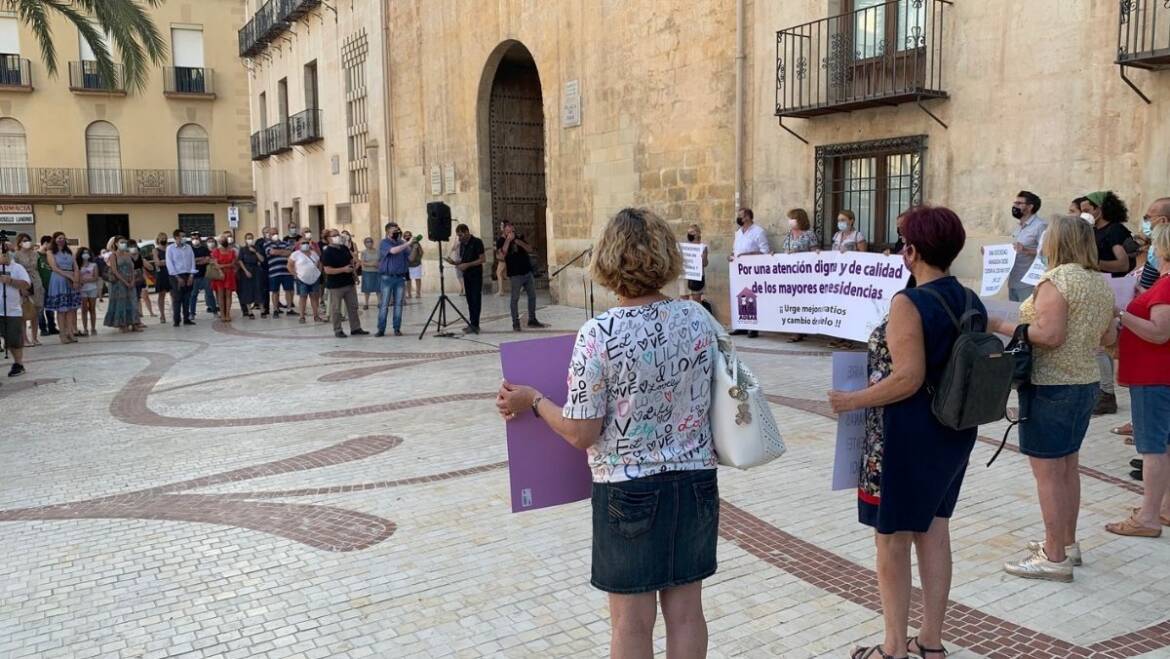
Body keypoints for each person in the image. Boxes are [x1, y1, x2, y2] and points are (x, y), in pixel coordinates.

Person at [496, 207, 719, 659]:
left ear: (608, 260)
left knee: (631, 622)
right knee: (688, 614)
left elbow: (581, 432)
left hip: (628, 489)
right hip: (696, 480)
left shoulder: (600, 332)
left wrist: (534, 401)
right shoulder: (698, 319)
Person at [828, 206, 980, 659]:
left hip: (906, 437)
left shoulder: (908, 302)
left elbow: (908, 377)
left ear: (912, 252)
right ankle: (930, 641)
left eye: (902, 243)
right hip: (952, 430)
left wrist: (850, 401)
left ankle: (893, 647)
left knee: (891, 540)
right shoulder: (968, 298)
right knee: (934, 531)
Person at [987, 216, 1115, 580]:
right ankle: (1067, 543)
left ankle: (1054, 556)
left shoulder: (1055, 281)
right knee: (1068, 468)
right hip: (1085, 381)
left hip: (1051, 384)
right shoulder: (1098, 283)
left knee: (1047, 474)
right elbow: (1108, 337)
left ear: (1055, 242)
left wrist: (1001, 325)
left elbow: (1050, 334)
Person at [1106, 224, 1170, 538]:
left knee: (1152, 447)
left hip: (1154, 376)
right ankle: (1164, 506)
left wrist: (1121, 313)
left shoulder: (1168, 284)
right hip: (1159, 374)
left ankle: (1148, 517)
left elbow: (1159, 332)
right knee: (1165, 444)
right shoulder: (1163, 284)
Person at [1082, 191, 1132, 415]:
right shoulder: (1093, 231)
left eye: (1087, 208)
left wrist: (1093, 262)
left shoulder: (1114, 231)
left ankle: (1107, 394)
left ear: (1100, 209)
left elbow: (1122, 264)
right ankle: (1102, 390)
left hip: (1113, 290)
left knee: (1102, 344)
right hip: (1098, 288)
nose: (1085, 213)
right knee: (1097, 343)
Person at [495, 221, 546, 332]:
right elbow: (502, 255)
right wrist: (508, 240)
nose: (511, 228)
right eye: (508, 226)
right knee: (515, 299)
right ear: (504, 229)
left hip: (527, 272)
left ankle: (532, 319)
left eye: (511, 226)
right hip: (515, 275)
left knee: (532, 296)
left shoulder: (519, 237)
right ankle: (515, 322)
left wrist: (518, 242)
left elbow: (530, 249)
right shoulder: (501, 241)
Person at [730, 207, 770, 338]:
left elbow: (765, 251)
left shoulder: (758, 231)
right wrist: (731, 256)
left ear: (747, 217)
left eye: (740, 216)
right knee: (741, 296)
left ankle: (753, 327)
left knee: (752, 297)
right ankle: (742, 325)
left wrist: (748, 254)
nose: (739, 218)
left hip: (753, 270)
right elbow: (736, 250)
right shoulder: (738, 233)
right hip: (739, 271)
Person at [321, 228, 369, 338]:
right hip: (336, 285)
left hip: (349, 282)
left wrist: (355, 275)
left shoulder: (344, 248)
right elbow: (327, 270)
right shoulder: (327, 252)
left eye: (338, 235)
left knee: (353, 307)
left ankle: (355, 328)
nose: (337, 237)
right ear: (328, 238)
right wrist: (343, 269)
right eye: (334, 235)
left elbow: (351, 261)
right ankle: (338, 330)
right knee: (336, 309)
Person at [782, 208, 817, 343]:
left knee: (804, 301)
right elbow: (784, 251)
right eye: (789, 218)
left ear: (800, 220)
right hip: (790, 274)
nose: (790, 221)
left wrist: (799, 253)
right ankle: (795, 330)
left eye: (793, 218)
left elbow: (815, 253)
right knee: (792, 301)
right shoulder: (789, 235)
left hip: (805, 275)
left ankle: (801, 330)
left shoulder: (809, 235)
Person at [377, 222, 417, 337]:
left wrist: (414, 247)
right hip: (386, 278)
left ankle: (397, 328)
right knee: (384, 304)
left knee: (398, 304)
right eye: (394, 231)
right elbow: (393, 251)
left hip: (400, 278)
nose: (397, 233)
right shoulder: (384, 243)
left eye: (398, 230)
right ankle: (381, 329)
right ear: (387, 232)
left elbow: (411, 258)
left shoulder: (402, 243)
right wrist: (408, 243)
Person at [0, 235, 31, 376]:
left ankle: (18, 364)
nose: (5, 253)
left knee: (14, 340)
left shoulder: (17, 267)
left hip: (11, 310)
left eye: (7, 250)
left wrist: (11, 281)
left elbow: (26, 284)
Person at [1008, 191, 1047, 302]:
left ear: (1030, 207)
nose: (1015, 206)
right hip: (1014, 281)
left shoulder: (1040, 226)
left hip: (1029, 284)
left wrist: (1026, 250)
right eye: (1015, 203)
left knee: (1028, 319)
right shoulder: (1019, 226)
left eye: (1019, 203)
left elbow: (1047, 252)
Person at [45, 232, 80, 344]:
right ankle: (62, 334)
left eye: (63, 238)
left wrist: (76, 279)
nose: (62, 240)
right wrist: (68, 275)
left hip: (71, 279)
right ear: (54, 239)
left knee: (70, 309)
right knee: (61, 310)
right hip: (59, 279)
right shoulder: (50, 252)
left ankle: (70, 332)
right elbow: (54, 268)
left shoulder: (69, 251)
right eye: (59, 238)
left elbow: (76, 266)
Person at [451, 223, 485, 334]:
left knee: (476, 299)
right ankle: (472, 323)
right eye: (458, 236)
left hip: (476, 275)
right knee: (469, 300)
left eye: (460, 235)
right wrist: (456, 263)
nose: (459, 238)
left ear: (466, 232)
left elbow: (482, 259)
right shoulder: (462, 244)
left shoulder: (477, 242)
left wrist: (467, 265)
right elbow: (463, 260)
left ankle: (476, 324)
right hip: (467, 276)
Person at [104, 237, 140, 333]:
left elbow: (132, 268)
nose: (124, 244)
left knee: (132, 303)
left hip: (130, 281)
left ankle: (134, 323)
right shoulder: (113, 256)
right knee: (121, 303)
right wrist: (125, 282)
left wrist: (132, 280)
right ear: (116, 244)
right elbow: (115, 271)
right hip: (119, 283)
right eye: (121, 242)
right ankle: (122, 324)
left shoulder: (128, 254)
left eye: (125, 242)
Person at [11, 234, 42, 347]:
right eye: (24, 240)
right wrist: (21, 288)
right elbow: (14, 271)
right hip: (23, 282)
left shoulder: (35, 255)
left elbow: (38, 268)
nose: (27, 242)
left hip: (36, 282)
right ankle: (25, 339)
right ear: (19, 243)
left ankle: (35, 337)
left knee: (36, 312)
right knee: (24, 311)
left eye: (28, 240)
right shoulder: (16, 256)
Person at [165, 229, 197, 326]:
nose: (184, 238)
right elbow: (169, 263)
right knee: (177, 298)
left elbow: (192, 261)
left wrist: (192, 275)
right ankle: (176, 320)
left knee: (187, 298)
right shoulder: (170, 248)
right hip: (176, 276)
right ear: (176, 237)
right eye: (182, 236)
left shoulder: (188, 248)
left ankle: (186, 318)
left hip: (188, 274)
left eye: (184, 236)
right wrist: (177, 277)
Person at [288, 238, 323, 324]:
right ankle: (302, 317)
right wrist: (295, 275)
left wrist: (319, 272)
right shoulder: (295, 254)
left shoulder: (314, 253)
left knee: (314, 297)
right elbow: (289, 266)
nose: (305, 244)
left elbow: (319, 263)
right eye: (303, 243)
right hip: (302, 280)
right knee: (303, 298)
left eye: (307, 242)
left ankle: (316, 316)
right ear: (299, 245)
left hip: (314, 279)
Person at [189, 232, 218, 319]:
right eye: (193, 239)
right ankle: (192, 314)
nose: (195, 240)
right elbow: (190, 261)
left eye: (196, 238)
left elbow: (208, 260)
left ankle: (215, 311)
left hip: (205, 275)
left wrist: (197, 260)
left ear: (200, 239)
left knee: (209, 294)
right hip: (194, 276)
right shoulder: (189, 250)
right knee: (193, 295)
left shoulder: (205, 249)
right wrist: (201, 259)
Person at [236, 232, 263, 319]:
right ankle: (249, 311)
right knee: (247, 290)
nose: (250, 240)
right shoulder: (243, 249)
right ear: (245, 240)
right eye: (248, 238)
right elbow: (240, 261)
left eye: (251, 238)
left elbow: (262, 259)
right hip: (246, 271)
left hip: (256, 270)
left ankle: (262, 310)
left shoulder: (257, 248)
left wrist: (255, 252)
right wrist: (245, 271)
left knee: (258, 289)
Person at [211, 235, 238, 323]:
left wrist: (222, 266)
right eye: (221, 240)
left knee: (228, 295)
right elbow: (215, 264)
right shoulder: (216, 251)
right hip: (219, 275)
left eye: (224, 239)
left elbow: (233, 264)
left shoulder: (232, 251)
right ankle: (222, 314)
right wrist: (221, 270)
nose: (223, 241)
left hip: (229, 274)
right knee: (220, 295)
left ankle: (228, 314)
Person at [680, 223, 709, 304]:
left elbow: (705, 264)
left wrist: (703, 258)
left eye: (692, 232)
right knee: (683, 301)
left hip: (696, 276)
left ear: (697, 233)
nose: (690, 234)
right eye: (689, 232)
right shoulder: (684, 247)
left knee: (697, 302)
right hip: (685, 275)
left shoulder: (703, 247)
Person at [145, 232, 170, 324]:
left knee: (174, 295)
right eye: (161, 238)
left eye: (165, 238)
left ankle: (175, 313)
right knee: (161, 295)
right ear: (158, 240)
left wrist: (164, 261)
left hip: (170, 273)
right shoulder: (155, 250)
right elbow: (157, 263)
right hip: (161, 274)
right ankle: (162, 315)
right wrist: (166, 262)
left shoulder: (170, 249)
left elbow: (174, 261)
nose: (163, 240)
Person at [35, 235, 58, 336]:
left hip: (51, 285)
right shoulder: (36, 256)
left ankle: (52, 327)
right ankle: (43, 328)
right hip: (40, 286)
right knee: (40, 309)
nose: (52, 246)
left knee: (50, 308)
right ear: (45, 243)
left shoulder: (51, 255)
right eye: (51, 244)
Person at [77, 247, 99, 336]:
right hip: (82, 290)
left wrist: (84, 280)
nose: (85, 254)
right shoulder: (78, 265)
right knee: (84, 309)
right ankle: (85, 328)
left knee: (92, 308)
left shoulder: (94, 265)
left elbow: (96, 277)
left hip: (92, 288)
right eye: (83, 253)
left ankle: (93, 328)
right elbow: (78, 278)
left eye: (87, 252)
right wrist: (87, 279)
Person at [359, 237, 380, 310]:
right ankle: (366, 303)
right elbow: (362, 262)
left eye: (370, 241)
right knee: (367, 288)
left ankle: (379, 302)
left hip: (377, 271)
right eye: (367, 242)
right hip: (367, 272)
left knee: (378, 288)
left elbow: (381, 260)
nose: (369, 243)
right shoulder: (364, 252)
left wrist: (378, 264)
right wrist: (372, 264)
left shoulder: (377, 251)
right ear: (365, 244)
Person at [405, 230, 424, 299]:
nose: (407, 237)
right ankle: (409, 294)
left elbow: (421, 252)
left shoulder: (416, 243)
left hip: (416, 264)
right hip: (407, 265)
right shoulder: (404, 244)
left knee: (417, 278)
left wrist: (418, 259)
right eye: (406, 236)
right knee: (408, 280)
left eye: (409, 235)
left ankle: (418, 293)